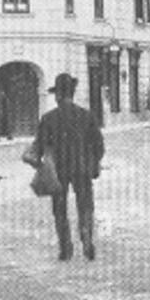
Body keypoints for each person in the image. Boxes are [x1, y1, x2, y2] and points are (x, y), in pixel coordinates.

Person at [30, 73, 105, 261]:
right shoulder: (86, 115)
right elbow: (99, 145)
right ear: (72, 93)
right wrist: (93, 163)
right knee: (85, 205)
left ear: (57, 96)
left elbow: (38, 148)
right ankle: (87, 238)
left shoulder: (48, 119)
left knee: (59, 209)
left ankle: (65, 248)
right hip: (82, 169)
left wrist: (38, 163)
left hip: (58, 172)